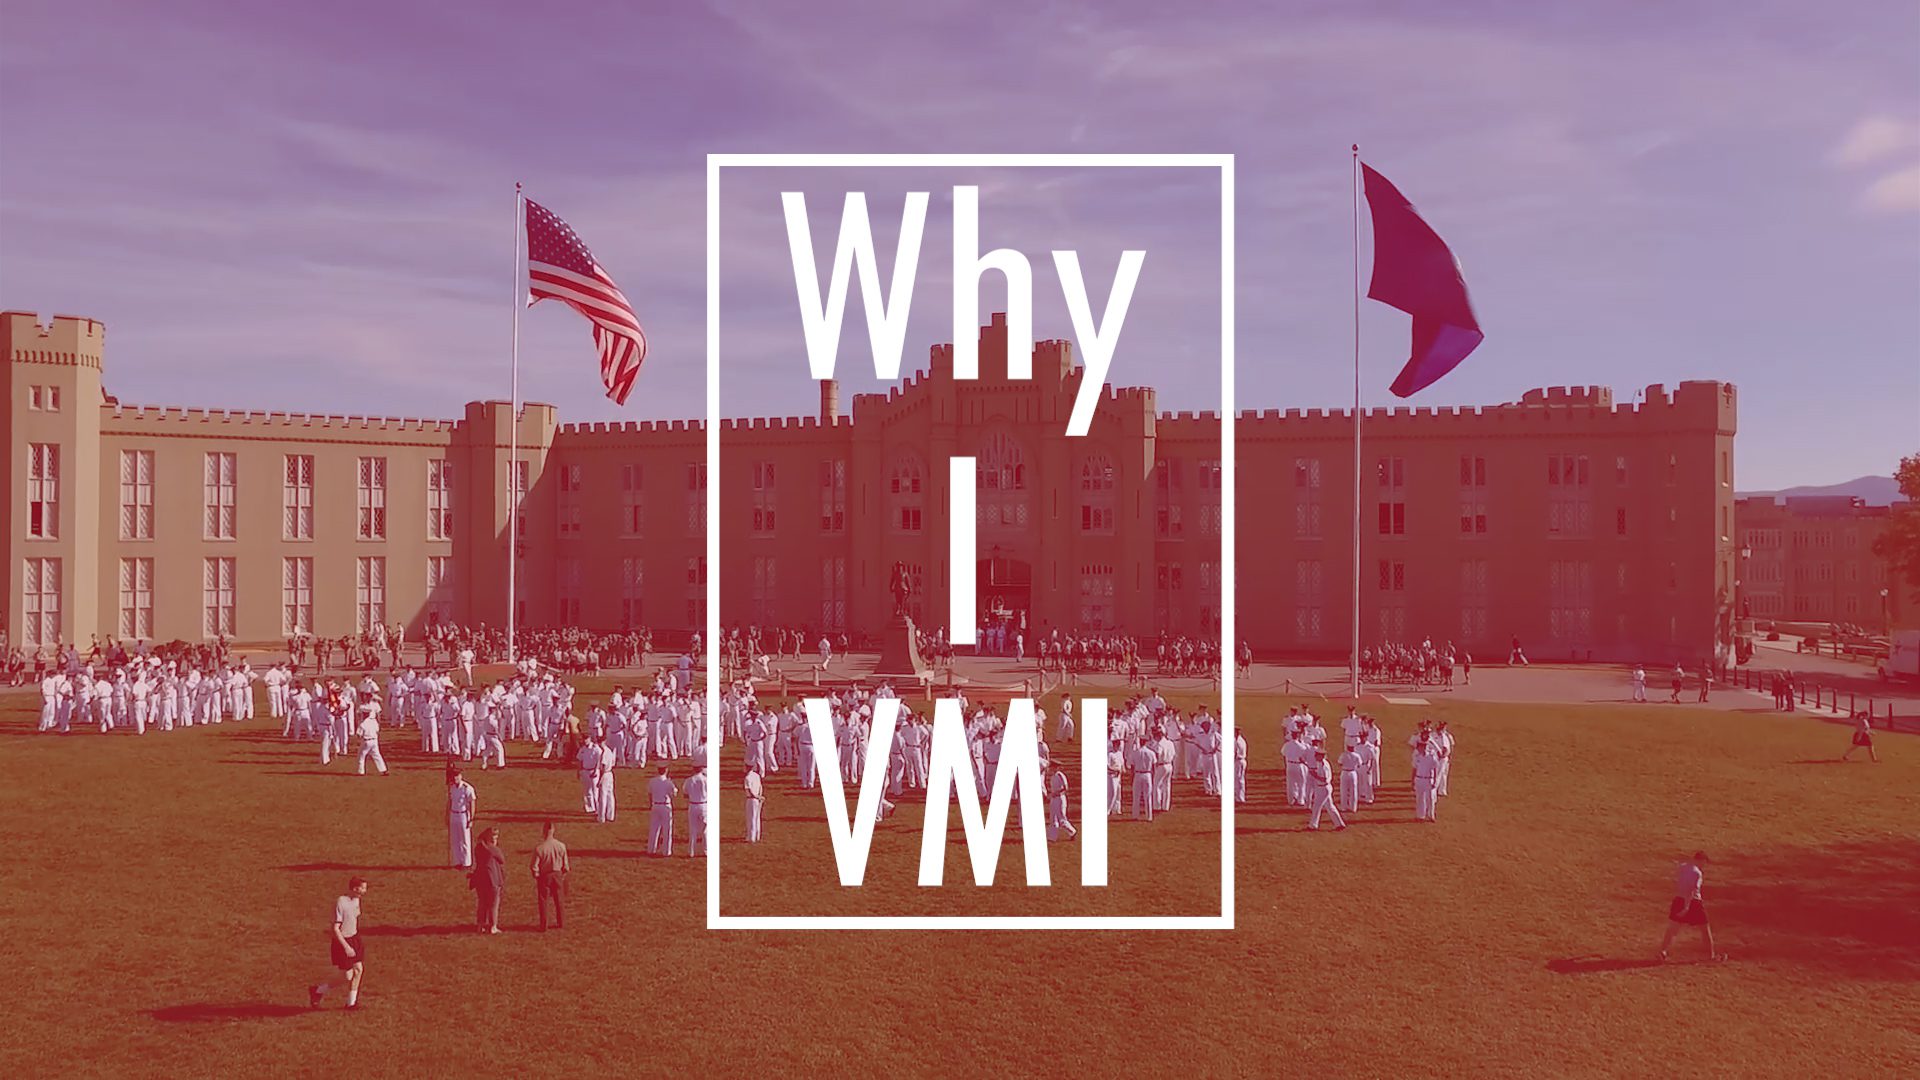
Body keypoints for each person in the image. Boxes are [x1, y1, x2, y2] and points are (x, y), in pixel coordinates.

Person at [309, 876, 369, 1010]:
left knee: (359, 969)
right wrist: (346, 947)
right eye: (363, 888)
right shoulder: (341, 903)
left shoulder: (357, 900)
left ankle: (351, 1003)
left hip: (354, 939)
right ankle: (318, 991)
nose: (365, 891)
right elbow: (335, 929)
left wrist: (355, 941)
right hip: (342, 942)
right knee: (347, 976)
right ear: (355, 889)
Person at [1658, 852, 1725, 962]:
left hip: (1678, 900)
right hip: (1693, 902)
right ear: (1701, 860)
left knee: (1672, 929)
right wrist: (1686, 907)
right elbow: (1692, 890)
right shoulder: (1697, 873)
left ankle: (1663, 951)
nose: (1704, 865)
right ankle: (1711, 956)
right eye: (1704, 862)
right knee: (1705, 929)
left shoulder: (1683, 867)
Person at [530, 822, 570, 931]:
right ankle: (561, 922)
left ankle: (544, 925)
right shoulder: (561, 846)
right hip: (557, 874)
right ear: (553, 831)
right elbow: (566, 865)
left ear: (544, 832)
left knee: (543, 900)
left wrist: (537, 875)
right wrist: (563, 874)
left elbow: (534, 866)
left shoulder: (540, 848)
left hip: (545, 876)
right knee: (559, 899)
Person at [470, 828, 505, 934]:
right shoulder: (493, 849)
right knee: (494, 903)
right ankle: (493, 926)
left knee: (482, 902)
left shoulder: (478, 848)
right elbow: (502, 860)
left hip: (480, 878)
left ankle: (480, 925)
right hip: (492, 879)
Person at [447, 768, 477, 869]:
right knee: (455, 839)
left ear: (460, 776)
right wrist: (447, 815)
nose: (455, 778)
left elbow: (472, 803)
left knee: (464, 839)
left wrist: (471, 818)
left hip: (463, 815)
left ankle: (466, 862)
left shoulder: (467, 788)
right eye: (453, 776)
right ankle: (457, 861)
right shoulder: (452, 787)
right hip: (453, 814)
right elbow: (450, 801)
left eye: (457, 776)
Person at [647, 765, 676, 856]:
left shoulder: (652, 781)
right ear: (666, 770)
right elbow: (674, 794)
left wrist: (651, 803)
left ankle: (651, 849)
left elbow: (650, 794)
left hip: (655, 805)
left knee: (654, 829)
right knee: (667, 829)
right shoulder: (668, 782)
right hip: (665, 806)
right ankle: (666, 851)